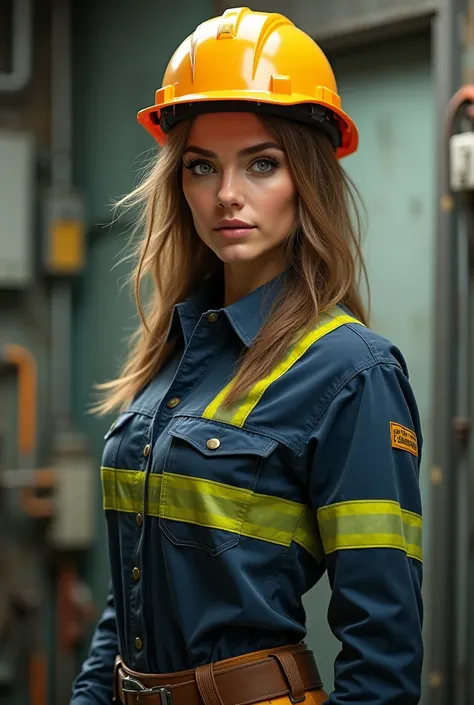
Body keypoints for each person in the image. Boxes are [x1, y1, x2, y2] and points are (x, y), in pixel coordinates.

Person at [70, 7, 423, 705]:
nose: (226, 195)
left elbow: (382, 647)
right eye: (202, 166)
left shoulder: (353, 370)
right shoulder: (171, 358)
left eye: (262, 163)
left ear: (308, 179)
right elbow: (133, 595)